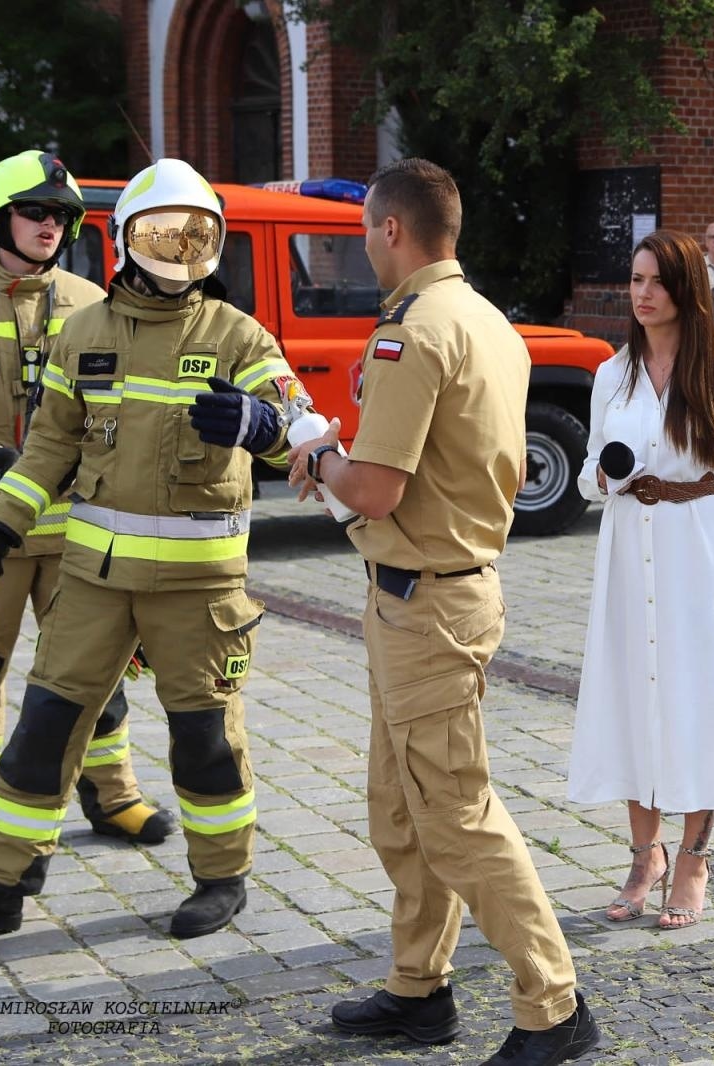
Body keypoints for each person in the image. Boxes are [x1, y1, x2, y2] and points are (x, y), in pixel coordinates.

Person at [0, 157, 295, 938]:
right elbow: (49, 451)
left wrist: (263, 428)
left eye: (196, 236)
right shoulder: (84, 333)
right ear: (124, 241)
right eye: (162, 234)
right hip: (93, 578)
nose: (179, 250)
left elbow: (301, 434)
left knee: (204, 737)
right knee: (44, 728)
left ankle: (222, 878)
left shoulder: (237, 333)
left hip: (199, 588)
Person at [286, 158, 601, 1064]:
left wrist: (315, 458)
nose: (364, 251)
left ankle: (554, 1006)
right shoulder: (489, 321)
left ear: (391, 229)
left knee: (456, 814)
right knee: (402, 804)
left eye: (364, 235)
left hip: (427, 601)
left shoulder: (413, 332)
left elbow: (377, 490)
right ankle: (418, 990)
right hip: (435, 596)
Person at [0, 150, 174, 855]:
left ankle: (112, 797)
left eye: (61, 215)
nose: (49, 225)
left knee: (97, 674)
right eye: (34, 211)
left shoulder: (94, 305)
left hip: (78, 534)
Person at [568, 229, 714, 934]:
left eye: (655, 281)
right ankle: (643, 855)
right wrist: (606, 473)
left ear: (686, 289)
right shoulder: (612, 374)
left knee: (698, 704)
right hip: (628, 546)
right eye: (634, 280)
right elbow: (593, 472)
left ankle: (692, 859)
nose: (642, 294)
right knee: (632, 700)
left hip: (699, 550)